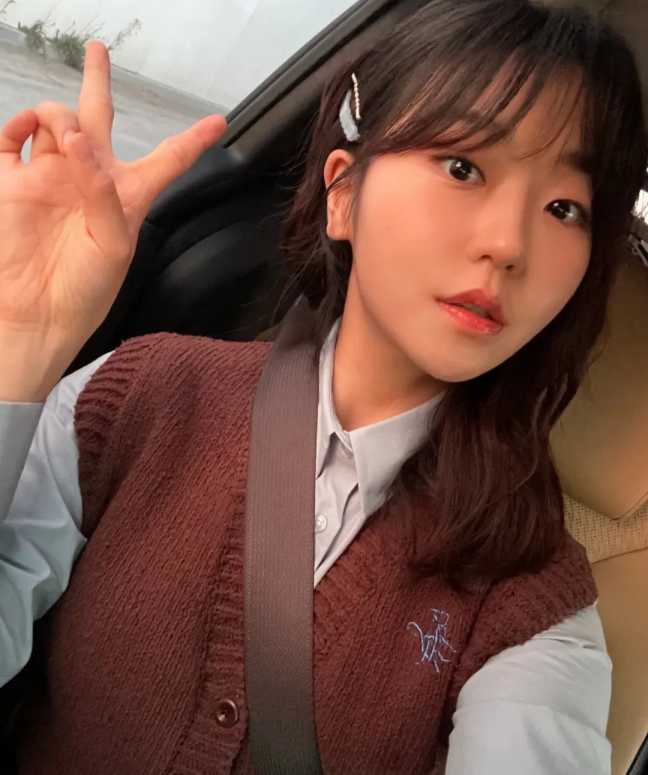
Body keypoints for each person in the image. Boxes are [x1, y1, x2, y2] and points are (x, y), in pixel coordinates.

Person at [0, 0, 645, 772]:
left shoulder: (533, 602)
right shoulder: (137, 396)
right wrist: (20, 344)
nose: (510, 244)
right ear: (343, 194)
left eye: (565, 207)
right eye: (463, 166)